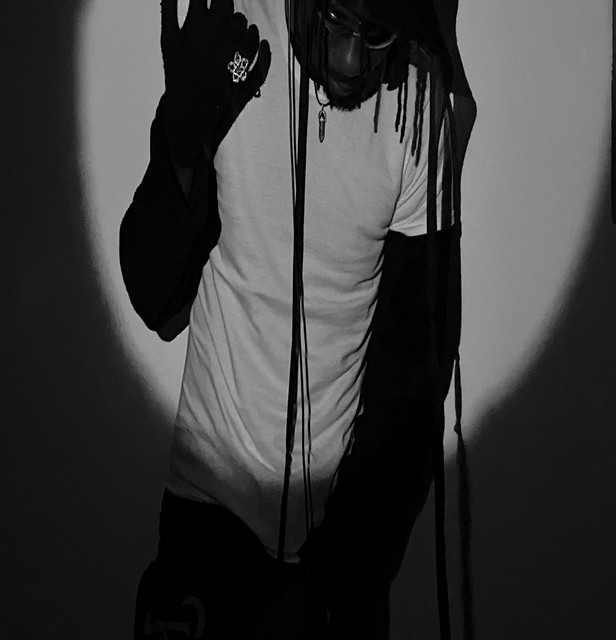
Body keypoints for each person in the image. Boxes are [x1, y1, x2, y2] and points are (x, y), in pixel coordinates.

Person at [120, 0, 475, 638]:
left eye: (375, 35)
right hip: (205, 515)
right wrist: (181, 141)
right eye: (335, 19)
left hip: (335, 545)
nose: (351, 61)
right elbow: (155, 298)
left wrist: (337, 574)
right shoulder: (236, 39)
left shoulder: (417, 105)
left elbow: (412, 379)